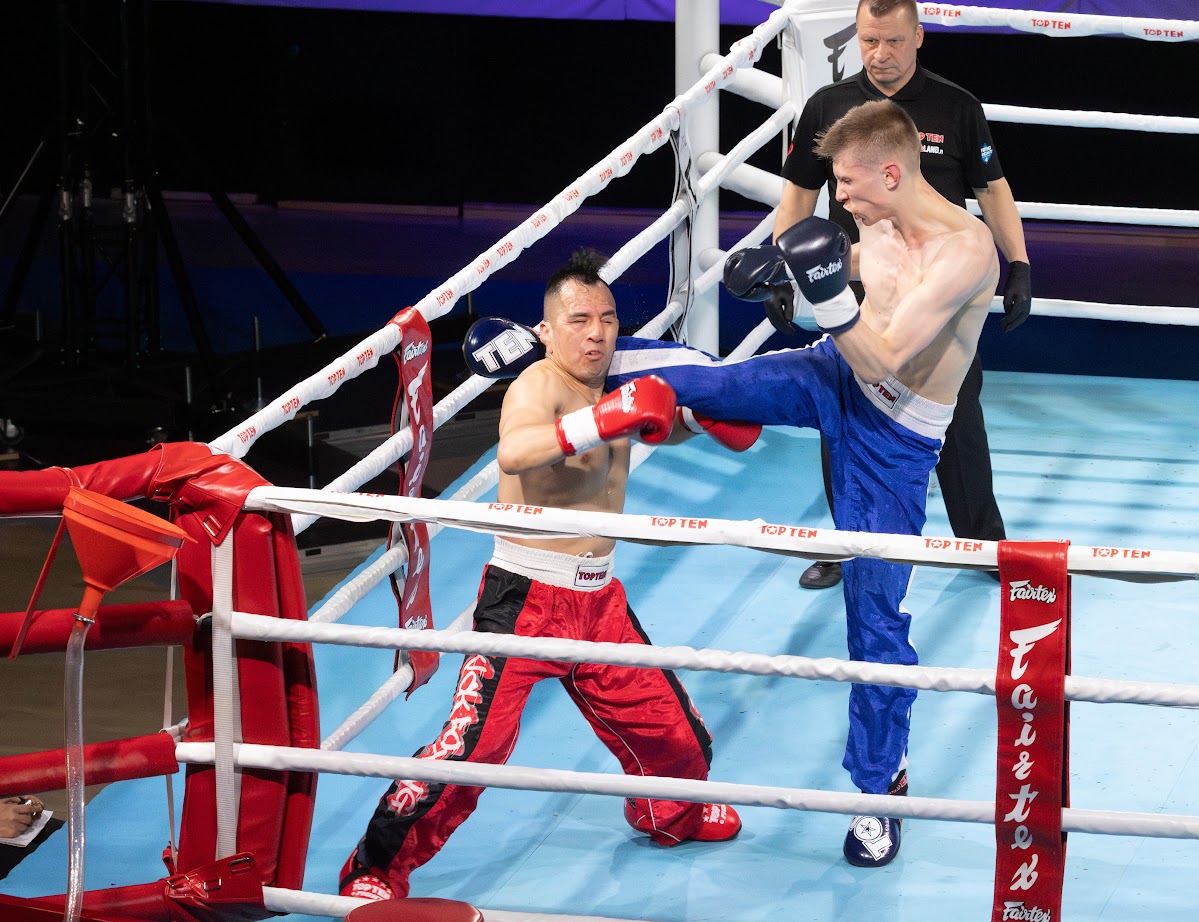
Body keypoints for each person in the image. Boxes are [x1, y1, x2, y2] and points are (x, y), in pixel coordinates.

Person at [603, 98, 1001, 868]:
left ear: (892, 172)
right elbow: (857, 281)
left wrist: (825, 292)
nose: (838, 197)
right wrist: (787, 268)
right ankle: (550, 356)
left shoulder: (963, 252)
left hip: (895, 438)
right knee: (709, 384)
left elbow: (884, 356)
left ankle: (878, 791)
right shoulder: (877, 223)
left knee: (874, 624)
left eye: (848, 183)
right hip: (829, 374)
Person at [339, 249, 753, 902]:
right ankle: (372, 867)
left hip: (599, 600)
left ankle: (667, 814)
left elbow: (652, 423)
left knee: (682, 743)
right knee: (473, 750)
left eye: (608, 319)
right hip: (525, 601)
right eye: (580, 320)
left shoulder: (614, 380)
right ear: (547, 331)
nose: (597, 333)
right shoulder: (539, 384)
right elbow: (516, 450)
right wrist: (601, 419)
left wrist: (698, 419)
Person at [778, 0, 1031, 590]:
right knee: (845, 409)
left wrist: (1018, 262)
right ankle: (847, 544)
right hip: (858, 279)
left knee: (958, 413)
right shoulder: (829, 106)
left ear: (918, 37)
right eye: (869, 41)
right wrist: (787, 270)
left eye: (892, 41)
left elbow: (992, 189)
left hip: (940, 285)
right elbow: (797, 195)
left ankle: (984, 545)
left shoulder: (956, 106)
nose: (880, 54)